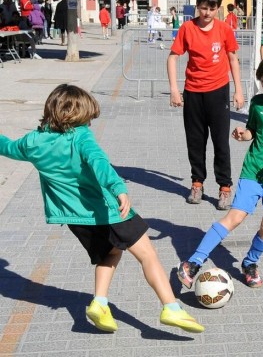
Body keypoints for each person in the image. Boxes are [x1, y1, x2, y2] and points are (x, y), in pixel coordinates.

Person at [0, 84, 205, 334]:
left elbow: (7, 147)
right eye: (87, 119)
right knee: (148, 255)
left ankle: (99, 303)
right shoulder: (80, 136)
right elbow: (99, 161)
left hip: (76, 219)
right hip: (108, 211)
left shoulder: (33, 141)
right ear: (78, 116)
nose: (89, 125)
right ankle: (171, 308)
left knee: (111, 253)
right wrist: (118, 186)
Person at [177, 54, 263, 289]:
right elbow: (253, 130)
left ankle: (250, 263)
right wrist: (244, 134)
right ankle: (193, 263)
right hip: (254, 170)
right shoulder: (258, 103)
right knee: (235, 217)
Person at [167, 0, 244, 210]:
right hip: (193, 93)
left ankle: (225, 188)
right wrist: (174, 89)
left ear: (218, 8)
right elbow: (172, 58)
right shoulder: (187, 29)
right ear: (197, 6)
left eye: (212, 8)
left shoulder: (224, 30)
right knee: (195, 143)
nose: (207, 13)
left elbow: (233, 59)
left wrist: (238, 90)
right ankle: (197, 183)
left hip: (218, 92)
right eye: (203, 8)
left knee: (221, 142)